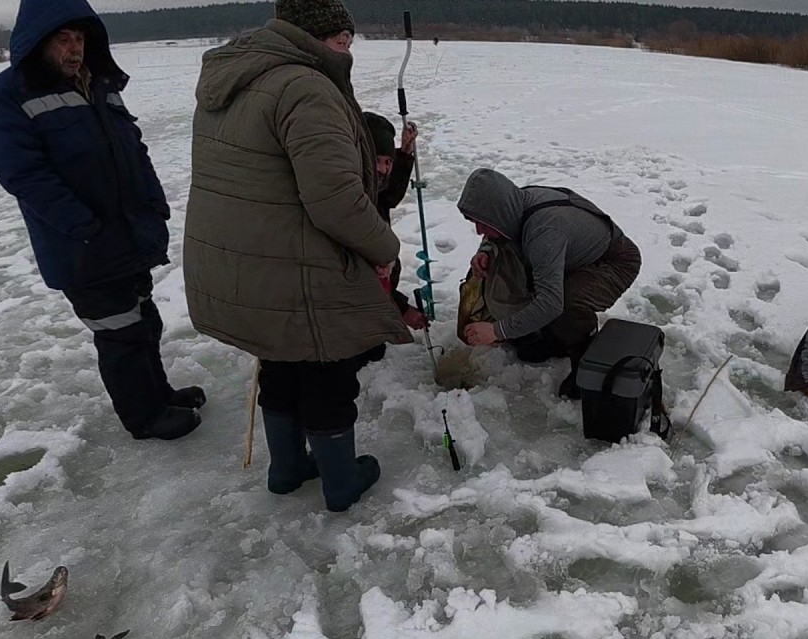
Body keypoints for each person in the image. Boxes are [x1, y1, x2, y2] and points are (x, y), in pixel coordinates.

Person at [183, 0, 411, 512]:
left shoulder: (237, 76)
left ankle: (287, 469)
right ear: (310, 35)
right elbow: (336, 201)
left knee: (281, 364)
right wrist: (386, 250)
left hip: (246, 265)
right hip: (296, 266)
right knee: (326, 371)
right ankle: (340, 482)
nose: (347, 51)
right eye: (340, 39)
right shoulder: (305, 88)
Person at [0, 0, 204, 441]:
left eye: (80, 39)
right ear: (38, 42)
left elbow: (134, 148)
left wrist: (153, 204)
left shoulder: (99, 84)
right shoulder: (10, 94)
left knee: (143, 320)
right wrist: (84, 227)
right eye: (63, 40)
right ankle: (144, 418)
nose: (74, 49)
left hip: (128, 233)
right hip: (81, 246)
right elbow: (21, 173)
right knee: (119, 333)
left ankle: (159, 395)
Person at [457, 168, 642, 398]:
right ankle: (555, 340)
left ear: (500, 211)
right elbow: (499, 232)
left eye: (482, 223)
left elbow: (551, 302)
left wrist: (496, 331)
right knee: (526, 275)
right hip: (572, 254)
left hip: (614, 262)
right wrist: (486, 251)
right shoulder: (514, 204)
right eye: (475, 222)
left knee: (564, 302)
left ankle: (582, 352)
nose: (478, 230)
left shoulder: (544, 233)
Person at [363, 111, 428, 331]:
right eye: (376, 160)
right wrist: (401, 307)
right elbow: (363, 277)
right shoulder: (353, 203)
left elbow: (388, 195)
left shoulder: (372, 192)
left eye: (388, 161)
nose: (382, 168)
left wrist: (404, 153)